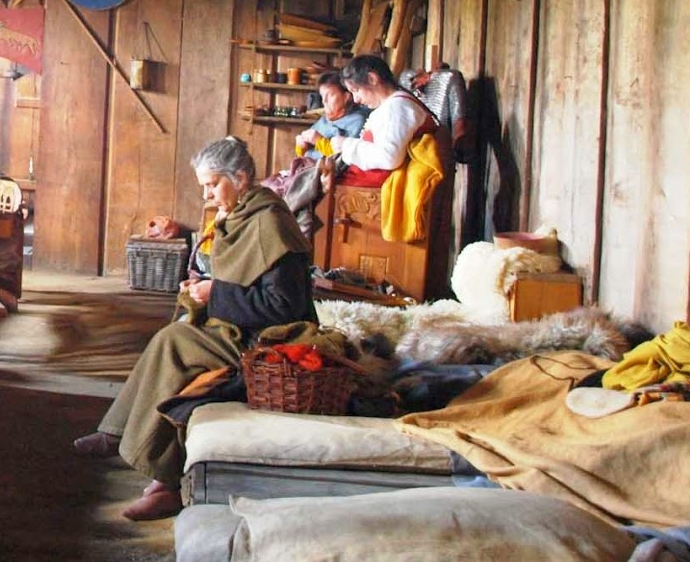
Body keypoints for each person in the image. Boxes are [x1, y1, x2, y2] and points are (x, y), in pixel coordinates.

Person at [72, 137, 315, 521]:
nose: (207, 193)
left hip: (270, 338)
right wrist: (201, 289)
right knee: (176, 332)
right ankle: (121, 436)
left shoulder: (270, 222)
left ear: (240, 177)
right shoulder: (240, 215)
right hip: (239, 324)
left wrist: (216, 293)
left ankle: (159, 473)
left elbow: (284, 306)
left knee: (176, 343)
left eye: (213, 184)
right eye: (204, 185)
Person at [260, 71, 369, 234]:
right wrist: (301, 145)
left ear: (347, 97)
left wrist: (319, 141)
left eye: (330, 95)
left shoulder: (357, 121)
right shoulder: (324, 120)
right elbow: (302, 154)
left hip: (325, 175)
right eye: (322, 96)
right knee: (267, 188)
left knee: (283, 198)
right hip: (305, 168)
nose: (324, 101)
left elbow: (346, 157)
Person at [330, 54, 433, 187]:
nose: (356, 99)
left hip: (375, 187)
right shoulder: (391, 105)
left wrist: (346, 145)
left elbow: (389, 157)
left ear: (372, 78)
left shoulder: (398, 107)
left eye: (356, 90)